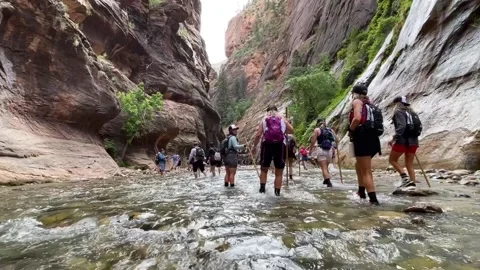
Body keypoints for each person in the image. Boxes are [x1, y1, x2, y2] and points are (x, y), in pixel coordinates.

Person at [348, 84, 381, 205]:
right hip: (374, 138)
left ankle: (373, 200)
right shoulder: (370, 103)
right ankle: (361, 191)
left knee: (366, 171)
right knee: (359, 165)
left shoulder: (357, 102)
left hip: (362, 137)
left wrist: (351, 129)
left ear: (355, 93)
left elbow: (357, 119)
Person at [252, 105, 294, 196]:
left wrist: (254, 147)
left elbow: (258, 134)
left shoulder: (264, 120)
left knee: (264, 169)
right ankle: (277, 194)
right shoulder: (282, 119)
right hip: (280, 146)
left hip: (267, 145)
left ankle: (262, 190)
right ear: (276, 111)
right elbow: (291, 130)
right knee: (279, 172)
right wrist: (285, 123)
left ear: (267, 111)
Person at [388, 96, 420, 188]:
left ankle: (404, 178)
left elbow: (402, 126)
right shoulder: (413, 113)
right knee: (409, 164)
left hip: (402, 141)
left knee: (392, 160)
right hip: (413, 141)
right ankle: (412, 184)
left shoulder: (398, 112)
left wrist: (394, 138)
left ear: (397, 103)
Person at [309, 119, 338, 187]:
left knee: (324, 168)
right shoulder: (330, 130)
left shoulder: (317, 130)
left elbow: (313, 141)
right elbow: (337, 139)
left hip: (321, 149)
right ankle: (325, 180)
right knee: (326, 167)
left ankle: (328, 182)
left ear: (318, 124)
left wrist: (310, 150)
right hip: (330, 150)